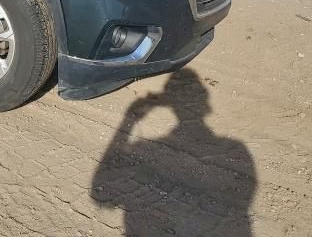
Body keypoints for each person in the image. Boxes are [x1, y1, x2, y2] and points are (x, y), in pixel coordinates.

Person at [92, 68, 255, 236]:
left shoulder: (143, 147)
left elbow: (100, 194)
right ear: (205, 103)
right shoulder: (238, 149)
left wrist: (129, 120)